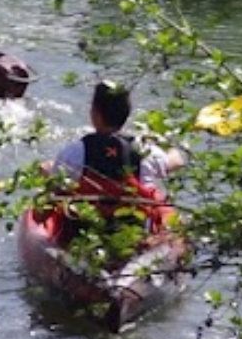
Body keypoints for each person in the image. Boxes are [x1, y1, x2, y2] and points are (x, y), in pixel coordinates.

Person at [46, 81, 181, 243]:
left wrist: (47, 170)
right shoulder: (144, 150)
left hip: (86, 232)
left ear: (95, 113)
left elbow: (55, 185)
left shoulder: (74, 152)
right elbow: (177, 161)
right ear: (127, 114)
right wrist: (173, 149)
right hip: (132, 233)